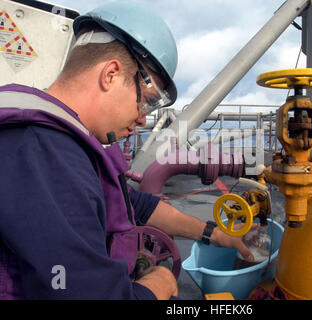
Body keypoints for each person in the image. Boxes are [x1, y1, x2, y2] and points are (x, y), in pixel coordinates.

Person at [0, 0, 255, 300]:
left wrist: (214, 233)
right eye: (147, 100)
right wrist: (157, 284)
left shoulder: (69, 139)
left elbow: (131, 204)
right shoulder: (46, 153)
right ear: (110, 74)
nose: (144, 118)